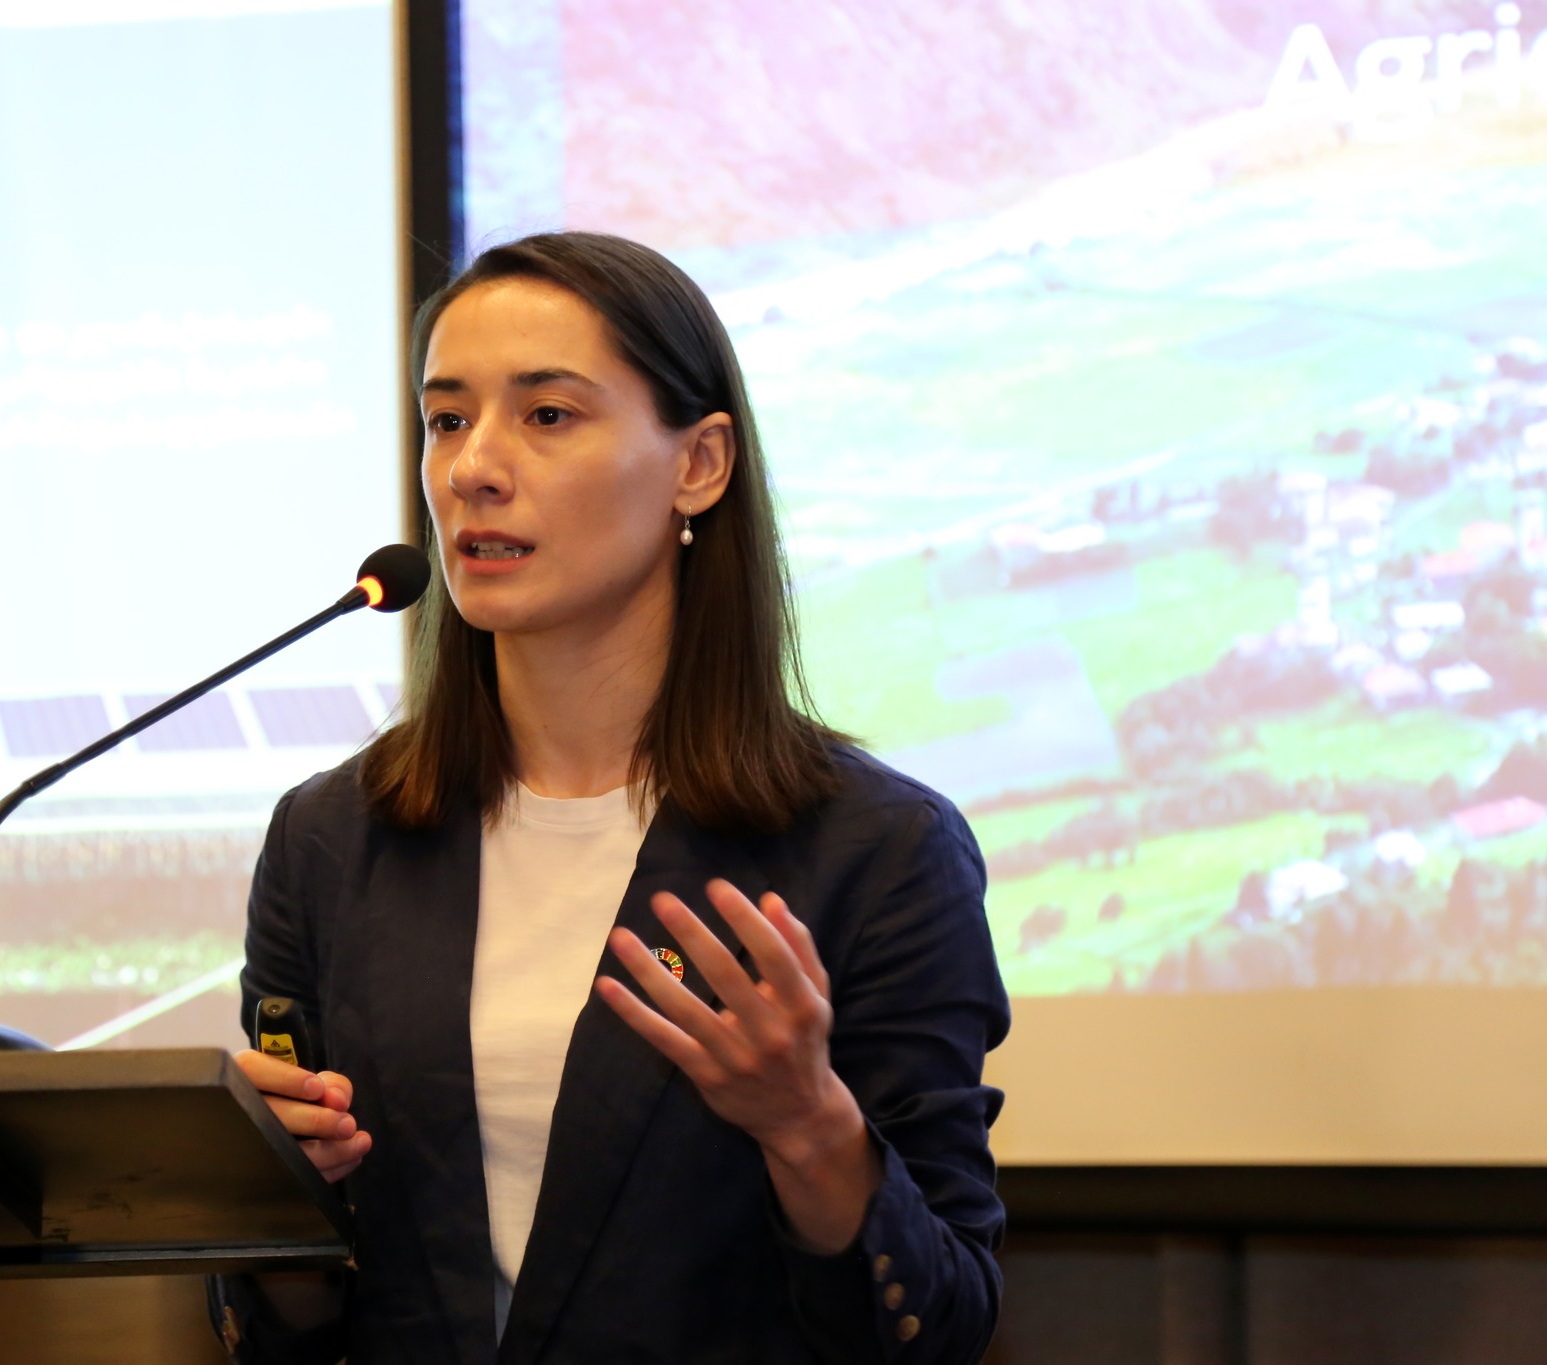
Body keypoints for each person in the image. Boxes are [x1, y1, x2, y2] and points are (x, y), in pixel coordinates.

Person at [225, 231, 1009, 1364]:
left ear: (699, 465)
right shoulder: (332, 841)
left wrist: (809, 1127)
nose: (472, 468)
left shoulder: (877, 850)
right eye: (446, 419)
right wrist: (268, 1198)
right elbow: (298, 1324)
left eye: (546, 415)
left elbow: (939, 1324)